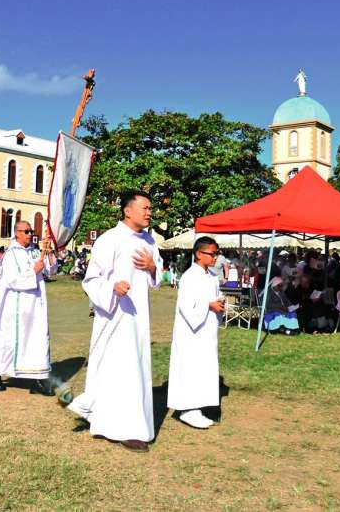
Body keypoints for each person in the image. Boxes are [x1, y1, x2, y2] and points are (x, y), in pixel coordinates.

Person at [68, 191, 163, 453]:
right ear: (127, 211)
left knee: (136, 367)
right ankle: (121, 427)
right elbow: (91, 279)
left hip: (139, 317)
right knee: (118, 368)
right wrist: (112, 287)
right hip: (115, 315)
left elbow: (158, 278)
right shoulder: (109, 240)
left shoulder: (150, 242)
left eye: (150, 208)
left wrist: (153, 267)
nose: (149, 212)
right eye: (144, 208)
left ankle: (130, 423)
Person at [0, 221, 57, 395]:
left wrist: (49, 253)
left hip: (36, 304)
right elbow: (14, 280)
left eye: (31, 231)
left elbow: (51, 271)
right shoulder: (10, 255)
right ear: (17, 233)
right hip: (17, 305)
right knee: (12, 342)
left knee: (38, 340)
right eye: (26, 231)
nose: (30, 234)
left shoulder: (36, 251)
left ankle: (39, 378)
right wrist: (34, 271)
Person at [167, 237, 224, 429]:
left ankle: (198, 406)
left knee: (205, 366)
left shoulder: (211, 276)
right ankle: (188, 409)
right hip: (192, 332)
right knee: (191, 366)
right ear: (199, 254)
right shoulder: (190, 276)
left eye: (217, 253)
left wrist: (218, 303)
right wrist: (209, 305)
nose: (215, 257)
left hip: (207, 329)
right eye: (212, 253)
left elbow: (212, 298)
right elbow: (187, 306)